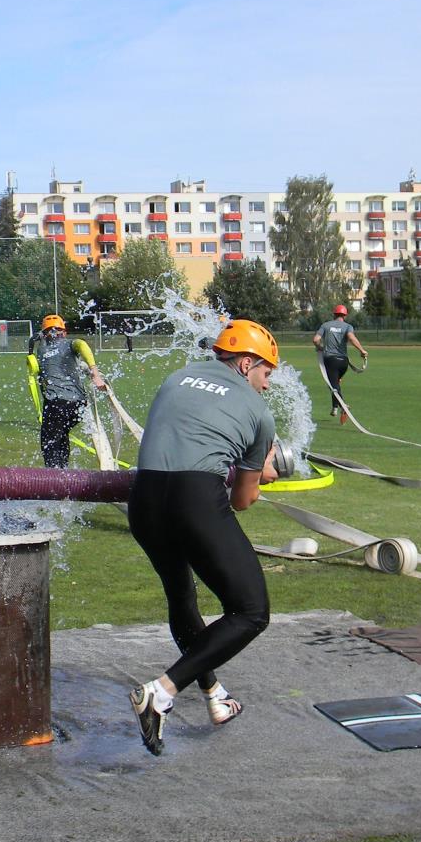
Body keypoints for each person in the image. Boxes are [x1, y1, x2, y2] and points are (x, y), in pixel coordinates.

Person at [127, 319, 282, 755]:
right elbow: (242, 501)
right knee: (251, 611)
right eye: (266, 373)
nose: (267, 384)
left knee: (183, 600)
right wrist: (264, 472)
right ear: (247, 362)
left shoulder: (176, 377)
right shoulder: (258, 412)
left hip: (143, 501)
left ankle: (215, 698)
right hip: (193, 500)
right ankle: (161, 692)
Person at [26, 314, 106, 468]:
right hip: (78, 404)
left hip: (57, 403)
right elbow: (81, 346)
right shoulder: (69, 344)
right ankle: (64, 473)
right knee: (60, 435)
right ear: (65, 331)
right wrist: (93, 372)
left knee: (49, 442)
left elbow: (81, 345)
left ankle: (55, 479)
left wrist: (94, 374)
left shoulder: (41, 350)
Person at [312, 305, 368, 421]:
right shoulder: (348, 326)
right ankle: (335, 407)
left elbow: (315, 339)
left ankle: (343, 406)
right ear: (345, 315)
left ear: (334, 314)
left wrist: (320, 347)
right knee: (335, 383)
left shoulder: (326, 325)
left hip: (330, 361)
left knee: (333, 386)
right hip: (343, 363)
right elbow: (352, 338)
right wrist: (361, 350)